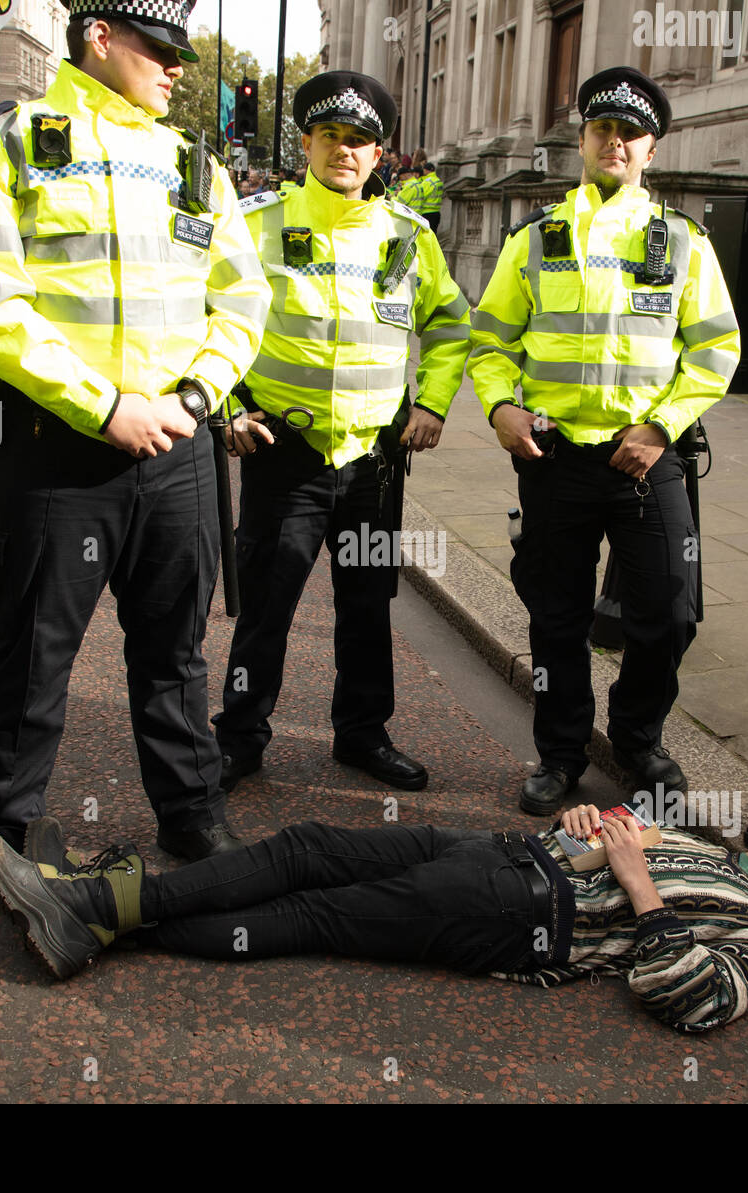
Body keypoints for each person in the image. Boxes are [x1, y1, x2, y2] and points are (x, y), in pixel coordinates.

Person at [0, 0, 271, 922]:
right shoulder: (4, 145)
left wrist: (196, 397)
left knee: (176, 651)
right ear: (99, 38)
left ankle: (192, 814)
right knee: (34, 652)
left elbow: (240, 298)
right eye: (160, 51)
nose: (176, 71)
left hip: (177, 448)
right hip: (55, 452)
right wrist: (105, 406)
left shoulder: (194, 164)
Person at [0, 795, 748, 1032]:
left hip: (523, 913)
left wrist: (637, 880)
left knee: (308, 913)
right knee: (303, 847)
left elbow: (690, 999)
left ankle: (91, 906)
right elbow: (602, 835)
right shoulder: (704, 840)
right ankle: (90, 909)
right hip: (495, 852)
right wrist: (581, 823)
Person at [468, 67, 740, 815]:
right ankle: (559, 753)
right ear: (582, 140)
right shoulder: (535, 238)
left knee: (671, 611)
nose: (615, 141)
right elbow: (489, 343)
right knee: (556, 616)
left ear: (650, 149)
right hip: (554, 459)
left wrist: (662, 425)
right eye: (602, 129)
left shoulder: (683, 242)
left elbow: (716, 350)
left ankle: (637, 738)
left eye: (631, 133)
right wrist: (500, 409)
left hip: (649, 460)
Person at [212, 70, 472, 794]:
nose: (345, 151)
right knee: (267, 608)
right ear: (306, 143)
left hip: (374, 462)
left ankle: (362, 734)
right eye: (331, 136)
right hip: (285, 454)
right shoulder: (256, 223)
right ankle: (239, 734)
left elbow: (451, 326)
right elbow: (211, 318)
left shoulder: (407, 238)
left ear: (380, 152)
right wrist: (228, 405)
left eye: (361, 140)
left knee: (366, 606)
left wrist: (436, 403)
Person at [418, 161, 443, 232]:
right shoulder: (438, 181)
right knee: (433, 235)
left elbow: (422, 195)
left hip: (427, 212)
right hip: (436, 212)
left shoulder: (427, 182)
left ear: (426, 170)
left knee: (426, 236)